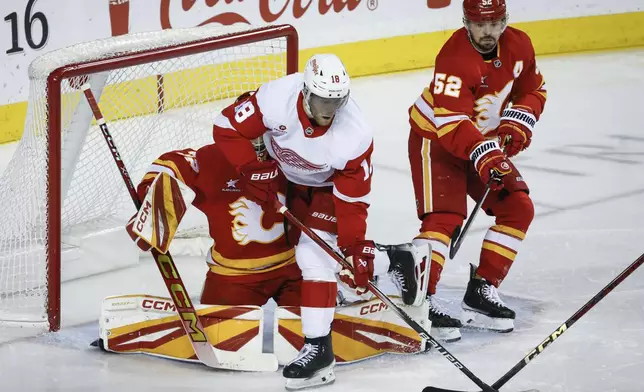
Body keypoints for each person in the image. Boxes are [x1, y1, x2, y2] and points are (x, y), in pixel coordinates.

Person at [212, 54, 416, 390]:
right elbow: (226, 126)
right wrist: (250, 167)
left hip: (327, 189)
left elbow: (351, 203)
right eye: (322, 100)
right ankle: (396, 259)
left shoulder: (353, 134)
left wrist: (354, 247)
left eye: (336, 101)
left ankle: (319, 350)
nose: (328, 110)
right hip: (283, 176)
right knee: (278, 246)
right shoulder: (276, 99)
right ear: (305, 93)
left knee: (316, 257)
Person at [407, 0, 547, 342]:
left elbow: (534, 89)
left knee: (517, 208)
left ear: (505, 20)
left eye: (496, 22)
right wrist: (487, 154)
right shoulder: (455, 59)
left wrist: (521, 117)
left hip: (479, 143)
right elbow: (450, 123)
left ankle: (481, 289)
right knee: (444, 218)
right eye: (480, 23)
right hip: (436, 141)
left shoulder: (519, 45)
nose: (488, 32)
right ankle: (419, 299)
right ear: (466, 21)